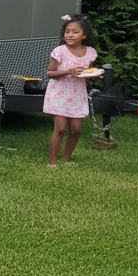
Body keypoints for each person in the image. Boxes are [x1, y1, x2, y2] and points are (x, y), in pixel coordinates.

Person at [45, 14, 99, 167]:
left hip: (77, 95)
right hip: (59, 94)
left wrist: (94, 76)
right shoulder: (59, 51)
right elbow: (50, 73)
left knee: (75, 130)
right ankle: (52, 163)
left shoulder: (90, 52)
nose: (70, 35)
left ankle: (67, 160)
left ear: (84, 35)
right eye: (67, 31)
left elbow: (86, 72)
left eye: (75, 32)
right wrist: (69, 71)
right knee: (61, 128)